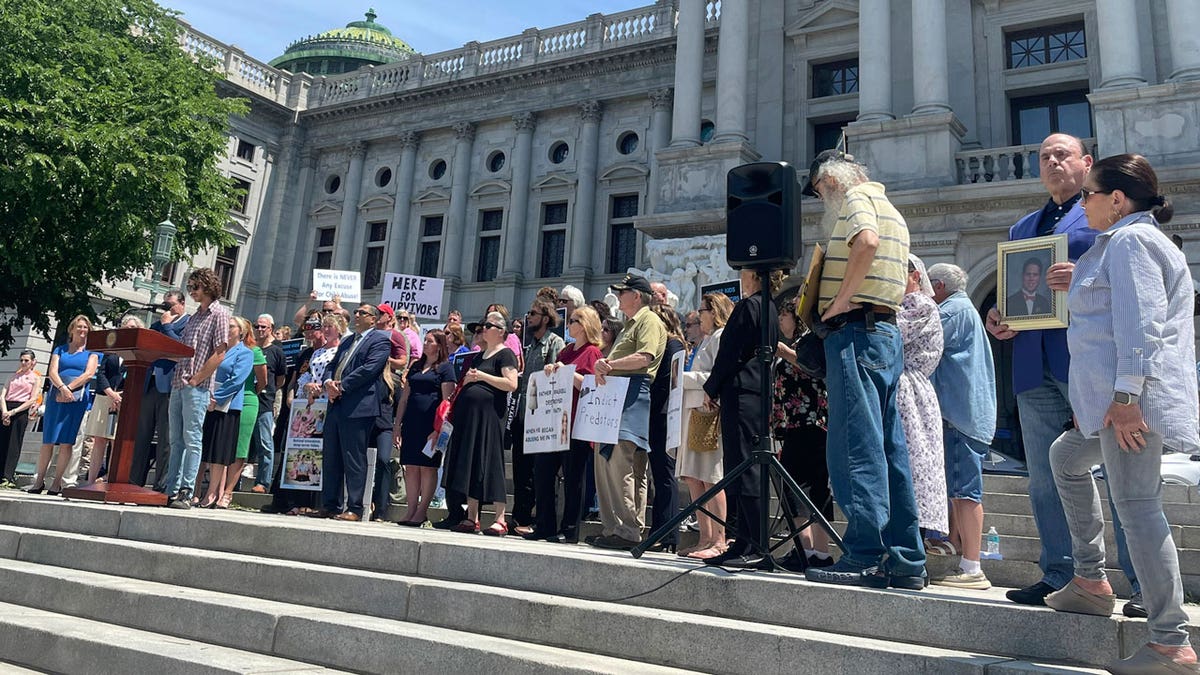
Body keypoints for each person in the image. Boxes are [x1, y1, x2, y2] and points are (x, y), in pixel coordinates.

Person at [1045, 154, 1198, 674]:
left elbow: (1142, 326)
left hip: (1130, 404)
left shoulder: (1132, 241)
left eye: (1088, 192)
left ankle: (1170, 642)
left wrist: (1127, 399)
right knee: (1067, 457)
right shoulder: (1120, 243)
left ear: (1116, 199)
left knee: (1137, 506)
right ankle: (1091, 580)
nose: (1080, 200)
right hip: (1110, 406)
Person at [985, 134, 1142, 612]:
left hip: (1087, 364)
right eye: (1044, 157)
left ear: (1086, 163)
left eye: (1062, 155)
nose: (1052, 162)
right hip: (1034, 366)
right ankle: (1059, 573)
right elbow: (1018, 294)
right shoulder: (1022, 227)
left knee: (1118, 475)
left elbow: (1127, 282)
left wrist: (1084, 279)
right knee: (1042, 477)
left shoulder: (1105, 218)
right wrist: (1000, 316)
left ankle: (1141, 583)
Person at [799, 150, 925, 589]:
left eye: (817, 191)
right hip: (884, 335)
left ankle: (866, 553)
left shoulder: (855, 200)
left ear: (830, 180)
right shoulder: (890, 206)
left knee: (855, 447)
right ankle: (906, 559)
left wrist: (839, 301)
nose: (820, 200)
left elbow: (866, 242)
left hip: (855, 332)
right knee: (890, 451)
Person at [698, 268, 780, 568]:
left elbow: (730, 352)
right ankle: (747, 540)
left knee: (743, 465)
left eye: (744, 271)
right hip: (757, 393)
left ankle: (750, 542)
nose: (740, 275)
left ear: (755, 276)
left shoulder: (749, 306)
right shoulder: (769, 306)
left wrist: (712, 386)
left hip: (742, 392)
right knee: (749, 467)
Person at [926, 263, 997, 590]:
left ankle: (972, 566)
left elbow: (918, 343)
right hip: (967, 413)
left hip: (959, 415)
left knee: (965, 492)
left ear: (938, 286)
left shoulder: (950, 312)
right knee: (959, 489)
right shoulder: (964, 309)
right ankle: (956, 544)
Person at [590, 274, 666, 550]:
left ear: (637, 296)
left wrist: (609, 364)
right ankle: (612, 527)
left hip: (632, 394)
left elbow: (644, 358)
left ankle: (628, 529)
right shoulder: (628, 326)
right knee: (605, 460)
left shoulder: (649, 320)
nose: (618, 297)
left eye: (623, 292)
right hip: (615, 396)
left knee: (623, 461)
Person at [443, 312, 519, 535]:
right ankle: (472, 516)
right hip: (471, 417)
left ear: (501, 331)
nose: (483, 330)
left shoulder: (505, 355)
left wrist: (483, 378)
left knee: (491, 461)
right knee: (472, 462)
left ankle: (500, 517)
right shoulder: (479, 356)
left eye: (488, 326)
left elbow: (511, 383)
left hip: (490, 417)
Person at [772, 296, 834, 571]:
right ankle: (806, 549)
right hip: (794, 424)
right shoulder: (795, 344)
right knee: (797, 489)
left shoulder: (809, 342)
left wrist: (783, 352)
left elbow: (814, 369)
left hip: (812, 423)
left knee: (811, 487)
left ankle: (818, 550)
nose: (779, 322)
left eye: (783, 316)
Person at [535, 306, 605, 543]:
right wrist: (551, 370)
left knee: (574, 479)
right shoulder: (565, 351)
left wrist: (568, 373)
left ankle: (570, 529)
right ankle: (545, 525)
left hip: (577, 422)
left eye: (573, 320)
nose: (568, 324)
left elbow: (592, 385)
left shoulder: (592, 352)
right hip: (556, 421)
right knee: (543, 472)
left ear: (585, 324)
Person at [163, 268, 231, 509]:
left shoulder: (220, 314)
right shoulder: (193, 317)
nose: (191, 291)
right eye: (190, 287)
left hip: (197, 386)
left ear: (208, 286)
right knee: (176, 439)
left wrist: (197, 378)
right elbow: (183, 351)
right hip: (178, 382)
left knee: (192, 438)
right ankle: (170, 488)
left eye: (195, 287)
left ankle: (186, 490)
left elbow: (220, 353)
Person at [318, 303, 391, 521]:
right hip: (336, 404)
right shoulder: (348, 340)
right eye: (356, 312)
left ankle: (356, 507)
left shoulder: (380, 340)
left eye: (362, 313)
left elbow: (369, 369)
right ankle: (331, 504)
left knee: (354, 457)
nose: (357, 315)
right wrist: (328, 382)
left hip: (359, 406)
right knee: (331, 456)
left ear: (374, 319)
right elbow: (332, 365)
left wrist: (341, 386)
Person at [676, 292, 734, 560]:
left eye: (703, 310)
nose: (700, 315)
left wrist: (684, 378)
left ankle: (719, 539)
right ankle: (705, 536)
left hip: (708, 413)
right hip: (693, 410)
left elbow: (717, 374)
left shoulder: (722, 337)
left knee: (711, 476)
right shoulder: (705, 340)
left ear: (716, 311)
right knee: (693, 476)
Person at [895, 255, 949, 538]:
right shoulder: (905, 303)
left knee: (912, 461)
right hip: (904, 388)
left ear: (915, 276)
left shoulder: (918, 303)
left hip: (910, 392)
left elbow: (891, 333)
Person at [511, 299, 565, 535]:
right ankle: (519, 516)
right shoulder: (530, 345)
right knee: (521, 469)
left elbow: (556, 376)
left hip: (543, 416)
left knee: (539, 472)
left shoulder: (554, 343)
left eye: (533, 314)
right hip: (525, 411)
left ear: (545, 318)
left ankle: (537, 518)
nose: (528, 317)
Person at [30, 315, 98, 494]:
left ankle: (57, 483)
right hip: (56, 396)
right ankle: (39, 481)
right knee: (48, 440)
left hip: (76, 398)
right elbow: (52, 370)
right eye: (79, 327)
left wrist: (69, 389)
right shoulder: (60, 350)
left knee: (67, 442)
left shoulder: (93, 352)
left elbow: (89, 374)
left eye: (85, 327)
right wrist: (61, 388)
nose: (82, 330)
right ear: (72, 330)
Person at [394, 330, 455, 526]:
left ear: (439, 345)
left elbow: (447, 403)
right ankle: (410, 509)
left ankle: (422, 511)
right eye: (425, 340)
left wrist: (438, 430)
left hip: (431, 425)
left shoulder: (446, 368)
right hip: (411, 423)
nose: (426, 344)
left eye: (430, 341)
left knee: (427, 468)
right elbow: (404, 398)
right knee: (411, 467)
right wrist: (397, 426)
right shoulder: (416, 366)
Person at [132, 290, 189, 490]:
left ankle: (161, 484)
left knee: (166, 437)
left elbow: (181, 347)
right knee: (142, 434)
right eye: (165, 305)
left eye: (171, 305)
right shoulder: (156, 325)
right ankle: (134, 480)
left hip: (170, 385)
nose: (167, 309)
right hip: (150, 384)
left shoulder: (187, 324)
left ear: (182, 304)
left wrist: (167, 326)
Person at [197, 316, 254, 509]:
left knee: (219, 451)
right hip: (207, 402)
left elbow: (237, 379)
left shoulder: (245, 353)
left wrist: (217, 398)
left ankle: (213, 492)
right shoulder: (218, 350)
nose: (227, 329)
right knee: (207, 447)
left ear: (241, 331)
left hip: (227, 406)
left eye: (231, 326)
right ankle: (201, 491)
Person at [644, 304, 684, 553]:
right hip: (655, 414)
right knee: (658, 474)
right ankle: (659, 529)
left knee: (665, 474)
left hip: (664, 414)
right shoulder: (664, 345)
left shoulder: (672, 345)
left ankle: (668, 532)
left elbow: (667, 384)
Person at [223, 317, 266, 506]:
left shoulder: (254, 351)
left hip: (247, 400)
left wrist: (251, 392)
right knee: (223, 446)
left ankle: (228, 491)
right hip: (226, 400)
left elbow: (263, 381)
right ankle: (217, 488)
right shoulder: (225, 349)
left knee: (240, 447)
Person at [248, 313, 287, 493]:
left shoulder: (277, 351)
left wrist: (267, 390)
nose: (260, 330)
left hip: (264, 401)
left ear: (271, 328)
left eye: (264, 327)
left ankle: (263, 482)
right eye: (257, 326)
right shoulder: (249, 348)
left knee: (264, 442)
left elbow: (280, 380)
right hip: (247, 400)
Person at [0, 350, 42, 487]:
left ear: (32, 362)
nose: (23, 363)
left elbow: (33, 398)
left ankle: (8, 476)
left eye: (26, 361)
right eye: (22, 360)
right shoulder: (12, 376)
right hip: (7, 407)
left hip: (20, 410)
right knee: (2, 442)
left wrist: (14, 412)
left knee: (14, 444)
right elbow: (3, 394)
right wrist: (5, 411)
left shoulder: (35, 378)